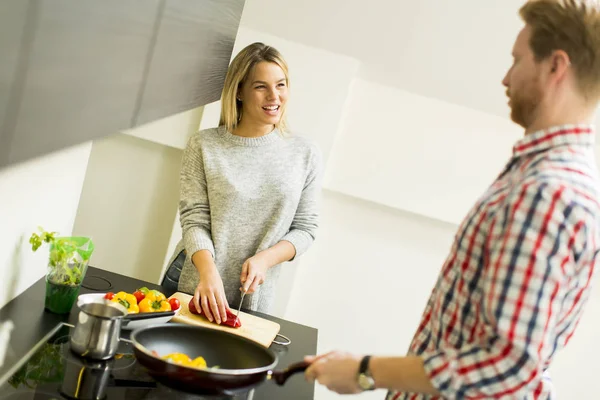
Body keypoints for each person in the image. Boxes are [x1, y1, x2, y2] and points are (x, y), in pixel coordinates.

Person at [305, 0, 600, 398]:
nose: (506, 78)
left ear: (555, 67)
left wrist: (364, 370)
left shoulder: (547, 191)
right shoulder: (545, 178)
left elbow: (508, 362)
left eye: (517, 60)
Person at [162, 42, 321, 323]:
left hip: (253, 296)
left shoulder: (305, 153)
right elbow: (194, 220)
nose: (275, 96)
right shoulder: (204, 145)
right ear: (239, 92)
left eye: (281, 85)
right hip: (194, 282)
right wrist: (208, 273)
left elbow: (305, 229)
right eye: (261, 87)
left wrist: (265, 260)